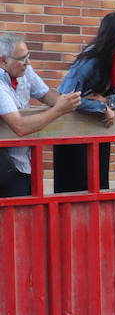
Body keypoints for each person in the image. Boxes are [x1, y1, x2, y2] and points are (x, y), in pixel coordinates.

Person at [54, 12, 115, 193]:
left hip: (99, 131)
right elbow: (64, 97)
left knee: (99, 187)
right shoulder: (89, 61)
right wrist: (100, 107)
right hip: (72, 131)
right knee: (73, 190)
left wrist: (108, 102)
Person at [0, 32, 81, 197]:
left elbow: (44, 94)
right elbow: (19, 126)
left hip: (26, 162)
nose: (27, 63)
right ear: (3, 61)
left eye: (28, 56)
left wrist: (68, 102)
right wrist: (59, 110)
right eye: (22, 58)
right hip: (8, 167)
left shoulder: (24, 70)